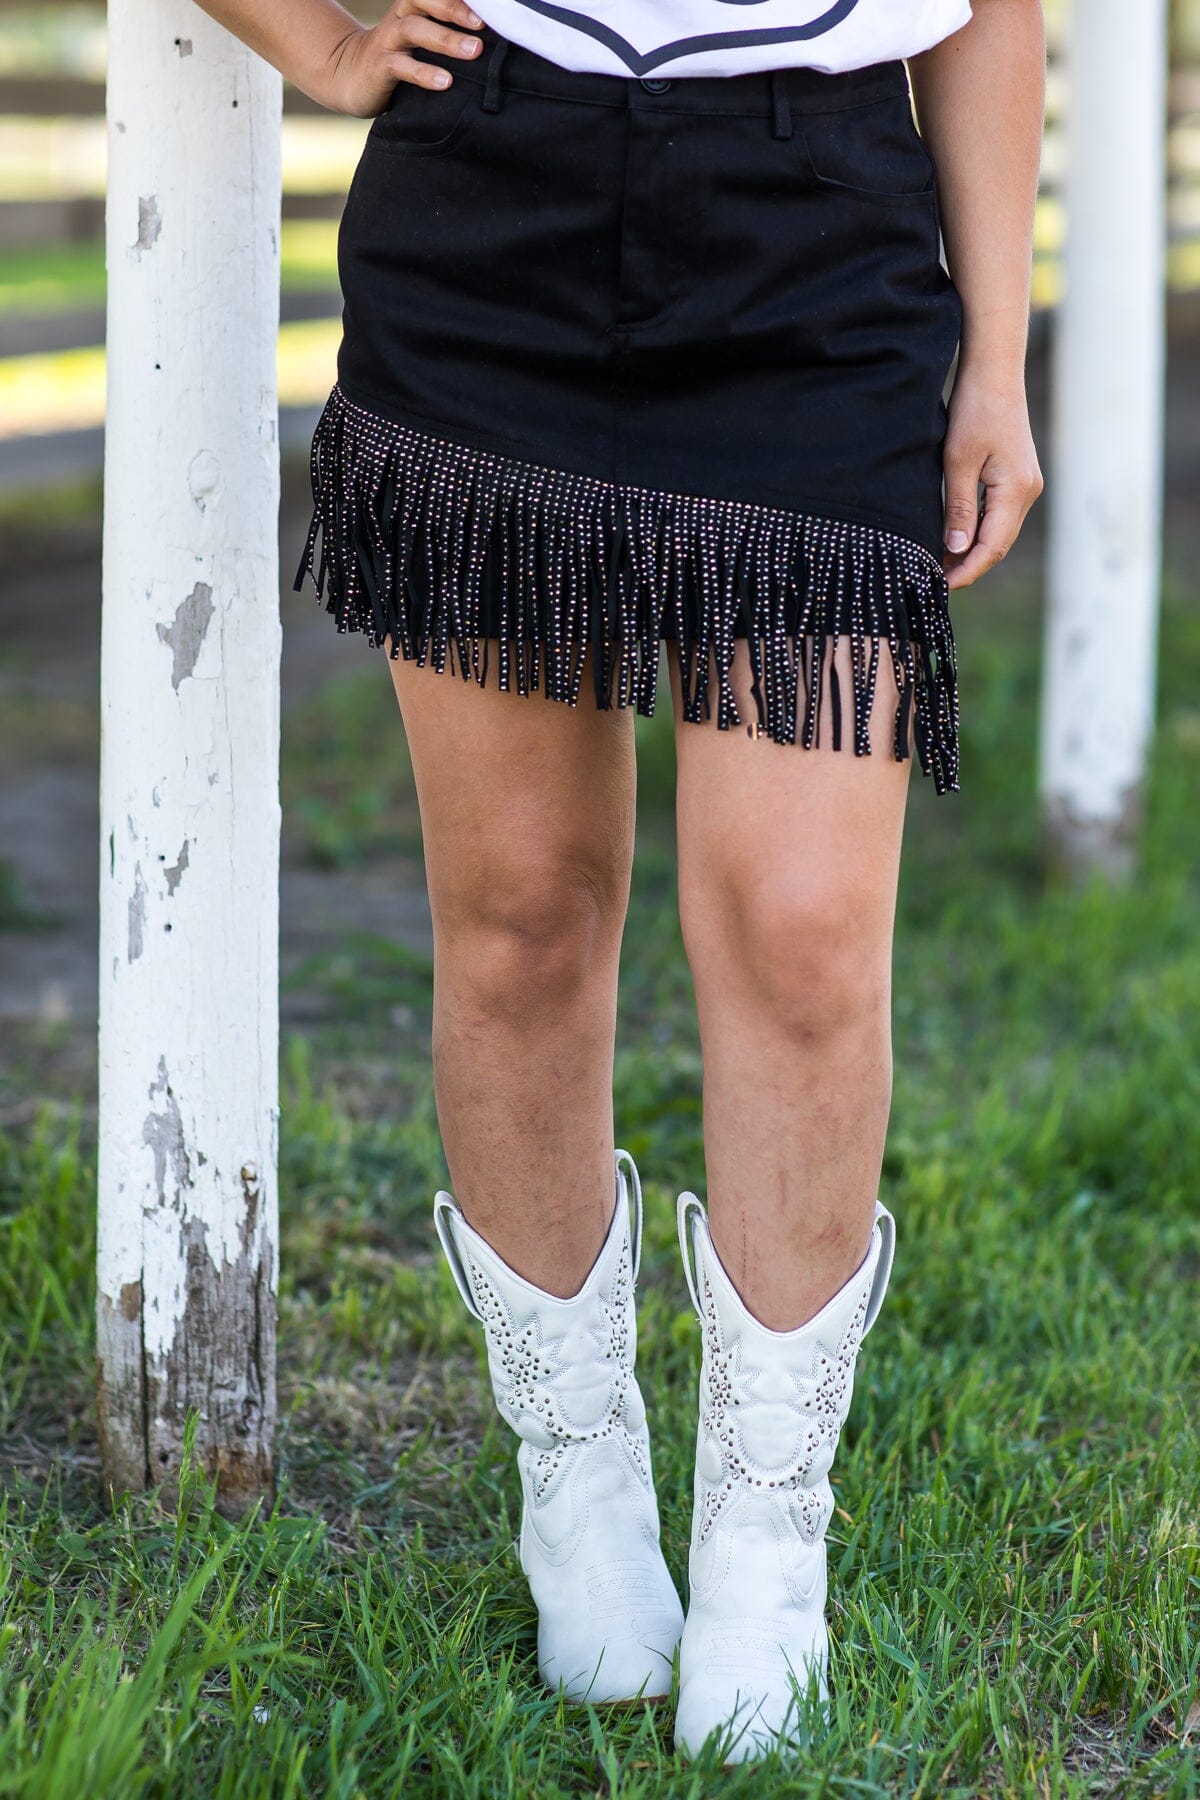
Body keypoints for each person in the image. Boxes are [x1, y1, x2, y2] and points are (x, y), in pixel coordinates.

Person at [199, 0, 1045, 1763]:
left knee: (805, 938)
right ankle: (575, 1481)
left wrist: (999, 361)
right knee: (521, 918)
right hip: (486, 211)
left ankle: (765, 1533)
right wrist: (320, 39)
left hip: (821, 242)